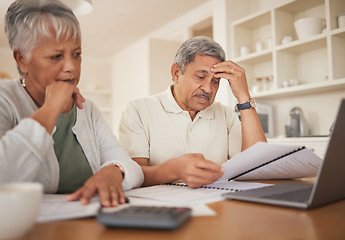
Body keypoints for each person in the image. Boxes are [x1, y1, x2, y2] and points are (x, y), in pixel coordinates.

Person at [0, 0, 143, 207]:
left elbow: (130, 166)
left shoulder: (88, 109)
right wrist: (51, 108)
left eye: (76, 54)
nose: (71, 67)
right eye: (56, 56)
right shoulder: (5, 100)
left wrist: (115, 171)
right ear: (22, 59)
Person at [119, 36, 266, 188]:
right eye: (200, 77)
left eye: (215, 82)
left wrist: (243, 97)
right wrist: (174, 170)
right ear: (176, 73)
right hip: (162, 207)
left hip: (217, 204)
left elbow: (259, 166)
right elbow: (133, 176)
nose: (208, 89)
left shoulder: (225, 114)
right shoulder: (139, 110)